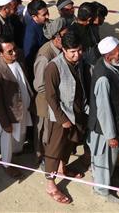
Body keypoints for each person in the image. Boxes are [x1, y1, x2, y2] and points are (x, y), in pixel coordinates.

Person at [40, 30, 88, 204]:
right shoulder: (54, 67)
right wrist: (63, 119)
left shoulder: (81, 62)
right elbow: (51, 97)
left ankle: (62, 169)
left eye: (79, 50)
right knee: (54, 150)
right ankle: (50, 185)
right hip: (60, 118)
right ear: (64, 50)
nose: (77, 54)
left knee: (69, 144)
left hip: (76, 112)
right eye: (73, 52)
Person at [88, 36, 119, 204]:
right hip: (104, 129)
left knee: (100, 159)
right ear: (108, 55)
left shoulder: (106, 66)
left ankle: (99, 182)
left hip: (107, 126)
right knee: (105, 160)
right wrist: (111, 135)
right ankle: (102, 190)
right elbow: (104, 110)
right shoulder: (104, 78)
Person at [0, 37, 33, 178]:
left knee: (20, 134)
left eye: (14, 49)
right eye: (10, 51)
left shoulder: (18, 60)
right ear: (0, 53)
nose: (14, 53)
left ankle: (17, 152)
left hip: (22, 109)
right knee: (7, 139)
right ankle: (7, 164)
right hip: (9, 114)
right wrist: (5, 122)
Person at [22, 0, 50, 67]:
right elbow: (29, 57)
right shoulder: (31, 34)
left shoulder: (44, 23)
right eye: (44, 15)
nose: (47, 16)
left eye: (47, 12)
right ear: (34, 17)